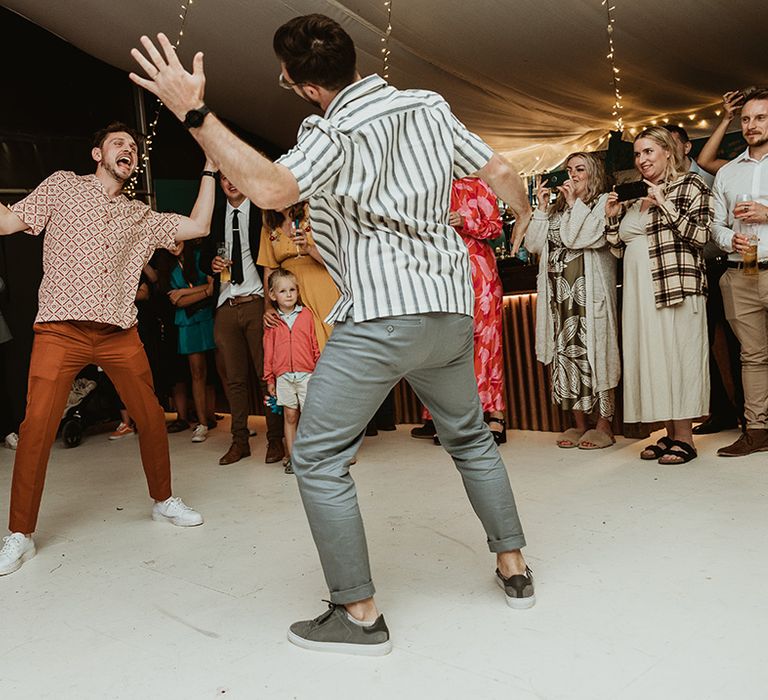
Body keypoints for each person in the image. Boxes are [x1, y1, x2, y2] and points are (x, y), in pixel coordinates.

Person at [130, 14, 535, 657]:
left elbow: (268, 187)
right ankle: (513, 566)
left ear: (300, 84)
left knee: (317, 458)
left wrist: (194, 110)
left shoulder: (332, 128)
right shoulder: (428, 105)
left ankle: (359, 613)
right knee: (470, 438)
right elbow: (505, 174)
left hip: (380, 315)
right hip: (451, 311)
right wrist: (522, 227)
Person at [0, 122, 214, 577]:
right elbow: (6, 222)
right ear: (98, 154)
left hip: (118, 333)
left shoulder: (141, 215)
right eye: (120, 144)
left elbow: (198, 225)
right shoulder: (62, 186)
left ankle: (163, 501)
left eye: (134, 148)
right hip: (60, 330)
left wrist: (211, 170)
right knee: (36, 425)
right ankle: (20, 534)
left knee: (152, 416)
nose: (129, 151)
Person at [605, 127, 712, 464]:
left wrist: (665, 205)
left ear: (668, 151)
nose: (642, 160)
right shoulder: (634, 195)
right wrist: (611, 220)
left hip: (675, 287)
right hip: (640, 292)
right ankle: (668, 434)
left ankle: (686, 438)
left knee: (678, 358)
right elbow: (620, 249)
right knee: (653, 359)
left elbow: (700, 235)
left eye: (649, 152)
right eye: (638, 154)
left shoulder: (690, 185)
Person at [527, 152, 619, 449]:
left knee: (596, 356)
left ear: (594, 174)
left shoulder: (603, 201)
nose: (574, 175)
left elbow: (578, 238)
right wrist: (541, 209)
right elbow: (534, 245)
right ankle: (579, 424)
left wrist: (572, 205)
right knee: (566, 356)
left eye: (580, 169)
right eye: (569, 169)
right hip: (559, 298)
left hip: (589, 295)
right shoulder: (556, 208)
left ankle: (604, 426)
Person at [410, 176, 509, 445]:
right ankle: (444, 419)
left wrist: (465, 222)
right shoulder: (426, 186)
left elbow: (496, 228)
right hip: (440, 275)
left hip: (478, 274)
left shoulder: (477, 184)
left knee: (487, 344)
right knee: (445, 344)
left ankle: (494, 416)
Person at [664, 119, 744, 435]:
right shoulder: (663, 186)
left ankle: (748, 414)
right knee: (704, 344)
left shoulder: (710, 178)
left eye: (671, 143)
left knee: (740, 344)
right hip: (698, 271)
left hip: (728, 263)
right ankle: (721, 411)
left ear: (686, 147)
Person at [200, 174, 285, 466]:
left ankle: (276, 440)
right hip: (226, 304)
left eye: (234, 176)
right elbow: (202, 257)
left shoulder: (261, 212)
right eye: (223, 178)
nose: (229, 182)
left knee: (266, 377)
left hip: (257, 303)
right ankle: (239, 441)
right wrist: (211, 263)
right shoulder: (215, 213)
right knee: (234, 380)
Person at [710, 87, 768, 456]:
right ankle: (758, 430)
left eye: (760, 117)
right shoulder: (727, 173)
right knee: (752, 355)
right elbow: (714, 225)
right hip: (742, 270)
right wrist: (730, 239)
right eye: (746, 119)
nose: (751, 125)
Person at [263, 268, 320, 474]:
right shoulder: (272, 321)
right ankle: (293, 457)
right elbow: (268, 352)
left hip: (306, 374)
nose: (288, 295)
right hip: (283, 376)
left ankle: (310, 456)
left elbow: (314, 343)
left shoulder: (306, 315)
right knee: (289, 415)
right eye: (283, 291)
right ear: (272, 295)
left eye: (292, 290)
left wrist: (318, 370)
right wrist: (270, 378)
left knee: (309, 417)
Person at [259, 201, 339, 348]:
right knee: (303, 346)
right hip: (290, 294)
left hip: (321, 288)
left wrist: (307, 247)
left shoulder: (313, 212)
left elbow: (335, 259)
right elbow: (269, 270)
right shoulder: (269, 226)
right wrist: (268, 306)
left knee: (330, 340)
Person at [168, 239, 216, 442]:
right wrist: (202, 291)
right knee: (197, 372)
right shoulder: (168, 268)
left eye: (176, 239)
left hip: (210, 317)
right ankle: (202, 423)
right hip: (187, 323)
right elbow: (176, 301)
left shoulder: (199, 258)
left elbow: (213, 288)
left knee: (222, 369)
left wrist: (188, 292)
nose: (173, 244)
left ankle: (234, 422)